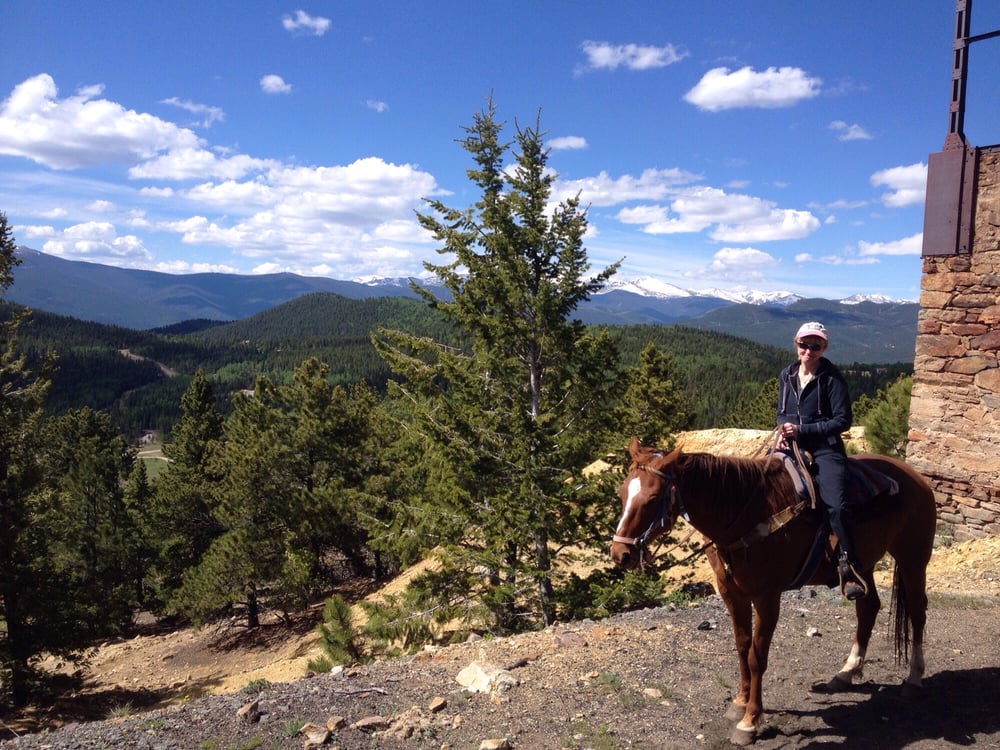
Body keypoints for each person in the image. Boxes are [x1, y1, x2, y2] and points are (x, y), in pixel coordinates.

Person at [776, 321, 866, 600]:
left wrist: (802, 430)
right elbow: (782, 412)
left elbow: (842, 420)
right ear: (796, 344)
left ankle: (849, 565)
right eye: (804, 344)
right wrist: (782, 430)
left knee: (836, 505)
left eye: (815, 346)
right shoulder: (787, 374)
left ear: (823, 348)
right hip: (792, 445)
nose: (808, 350)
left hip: (825, 449)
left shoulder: (831, 378)